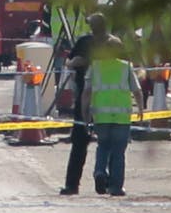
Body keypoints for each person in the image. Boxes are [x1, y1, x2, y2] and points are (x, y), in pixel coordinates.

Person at [59, 12, 114, 195]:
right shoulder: (115, 43)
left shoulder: (85, 42)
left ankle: (72, 185)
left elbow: (74, 62)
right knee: (109, 143)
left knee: (80, 143)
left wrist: (70, 61)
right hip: (111, 97)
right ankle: (110, 181)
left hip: (87, 96)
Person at [82, 38, 144, 196]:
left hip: (101, 116)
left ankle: (100, 172)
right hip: (121, 117)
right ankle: (116, 187)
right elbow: (137, 91)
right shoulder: (126, 67)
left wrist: (85, 113)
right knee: (118, 152)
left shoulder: (95, 67)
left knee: (103, 146)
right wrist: (141, 109)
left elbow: (87, 92)